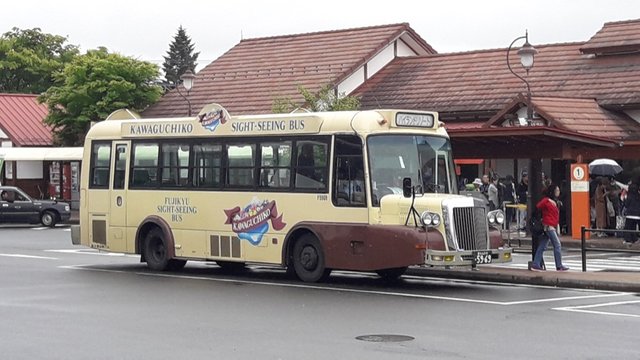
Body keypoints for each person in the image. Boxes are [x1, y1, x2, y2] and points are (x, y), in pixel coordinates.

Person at [530, 183, 569, 272]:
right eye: (557, 190)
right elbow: (537, 207)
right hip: (548, 225)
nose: (558, 192)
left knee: (543, 245)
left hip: (551, 224)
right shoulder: (546, 200)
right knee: (557, 244)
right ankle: (559, 265)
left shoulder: (555, 201)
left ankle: (536, 263)